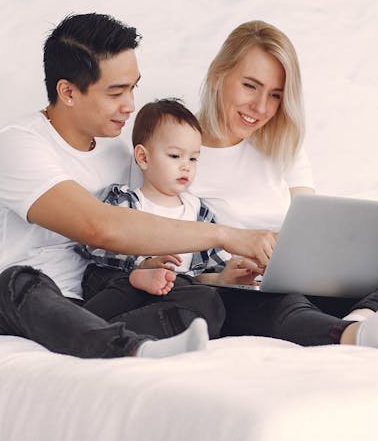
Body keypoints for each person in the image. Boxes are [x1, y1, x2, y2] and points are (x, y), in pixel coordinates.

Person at [0, 13, 277, 359]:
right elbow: (100, 228)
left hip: (90, 307)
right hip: (10, 308)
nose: (130, 106)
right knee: (22, 280)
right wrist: (226, 235)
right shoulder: (17, 145)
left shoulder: (118, 155)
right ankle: (130, 346)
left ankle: (118, 344)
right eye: (116, 92)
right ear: (68, 92)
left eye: (132, 88)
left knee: (202, 300)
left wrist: (160, 267)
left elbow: (140, 231)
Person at [189, 20, 378, 348]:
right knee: (273, 302)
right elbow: (168, 264)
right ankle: (346, 334)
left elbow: (310, 228)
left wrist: (327, 262)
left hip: (306, 288)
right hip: (240, 293)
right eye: (250, 86)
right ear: (218, 74)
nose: (260, 107)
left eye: (275, 95)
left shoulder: (284, 146)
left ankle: (362, 321)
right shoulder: (176, 150)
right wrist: (220, 275)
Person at [77, 98, 261, 337]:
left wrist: (223, 277)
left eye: (193, 158)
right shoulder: (127, 201)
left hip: (167, 295)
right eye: (175, 156)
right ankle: (98, 317)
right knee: (117, 280)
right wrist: (141, 265)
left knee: (203, 296)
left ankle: (122, 333)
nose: (186, 167)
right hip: (118, 287)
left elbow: (201, 274)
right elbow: (94, 244)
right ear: (143, 157)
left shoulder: (199, 212)